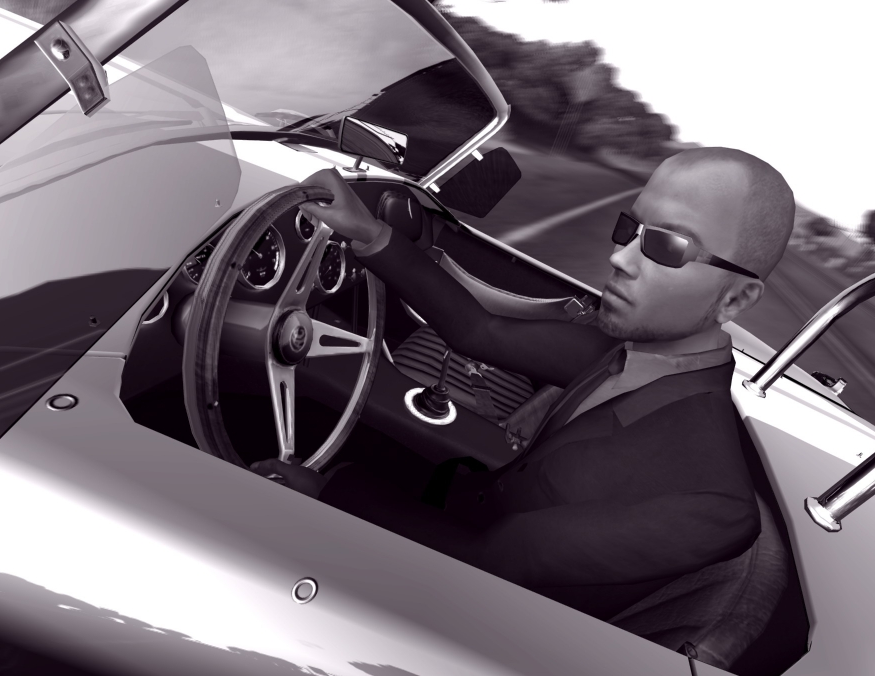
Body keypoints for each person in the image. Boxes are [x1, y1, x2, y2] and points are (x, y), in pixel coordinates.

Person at [255, 147, 796, 621]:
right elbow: (479, 332)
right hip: (468, 508)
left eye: (668, 247)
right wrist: (369, 232)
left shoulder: (713, 503)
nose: (618, 258)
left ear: (736, 299)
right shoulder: (635, 351)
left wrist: (325, 498)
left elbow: (493, 564)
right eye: (628, 230)